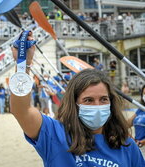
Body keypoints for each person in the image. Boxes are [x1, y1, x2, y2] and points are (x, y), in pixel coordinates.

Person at [10, 32, 145, 166]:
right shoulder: (55, 134)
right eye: (88, 100)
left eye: (103, 99)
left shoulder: (127, 145)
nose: (97, 105)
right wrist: (23, 64)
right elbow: (21, 111)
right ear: (74, 103)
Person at [127, 85, 145, 158]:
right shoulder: (141, 109)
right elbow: (126, 124)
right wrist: (129, 136)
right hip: (138, 147)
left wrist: (143, 142)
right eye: (144, 93)